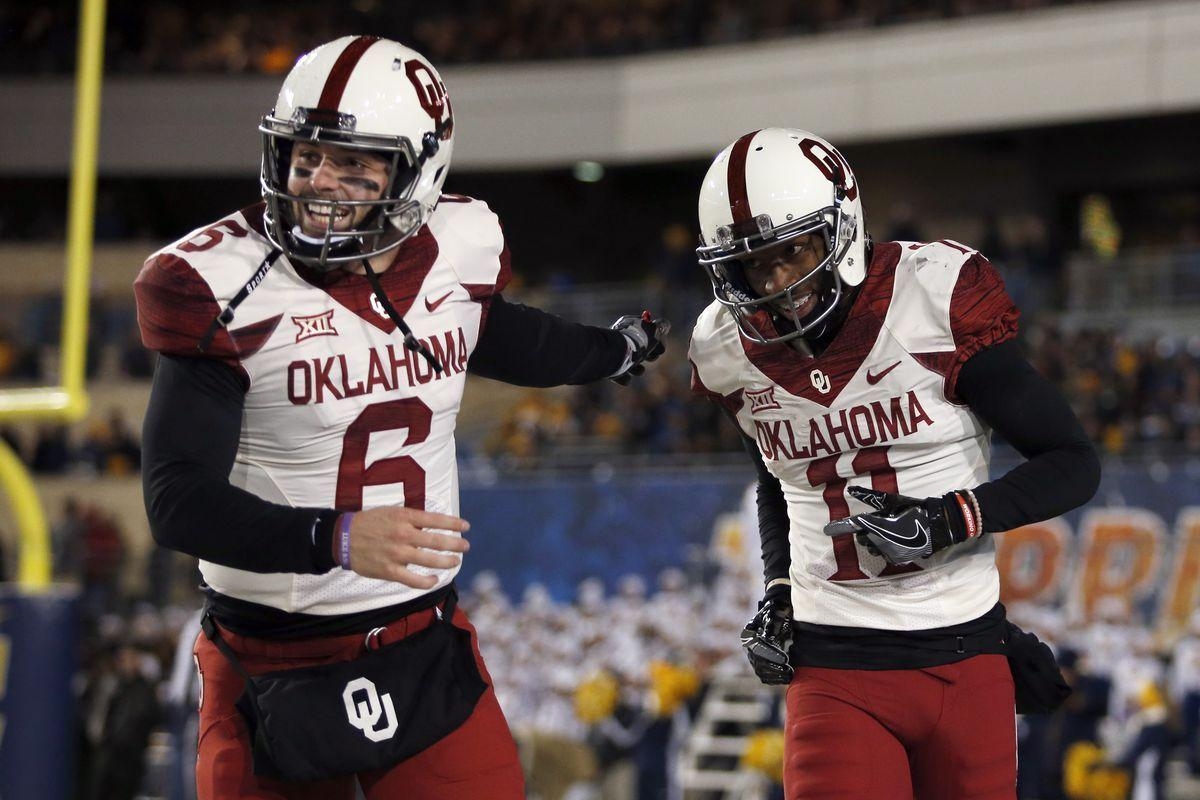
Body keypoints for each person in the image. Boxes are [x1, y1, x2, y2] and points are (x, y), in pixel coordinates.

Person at [134, 36, 667, 800]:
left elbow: (505, 335)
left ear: (419, 171)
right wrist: (338, 535)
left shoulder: (456, 248)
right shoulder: (220, 285)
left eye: (356, 164)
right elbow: (176, 498)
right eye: (306, 156)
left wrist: (610, 354)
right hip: (268, 655)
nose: (321, 183)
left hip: (421, 644)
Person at [687, 127, 1100, 799]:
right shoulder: (726, 349)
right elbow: (778, 478)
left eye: (793, 252)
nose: (776, 283)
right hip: (834, 665)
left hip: (962, 657)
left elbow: (1073, 461)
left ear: (842, 227)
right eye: (753, 267)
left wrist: (949, 519)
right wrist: (781, 589)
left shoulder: (933, 298)